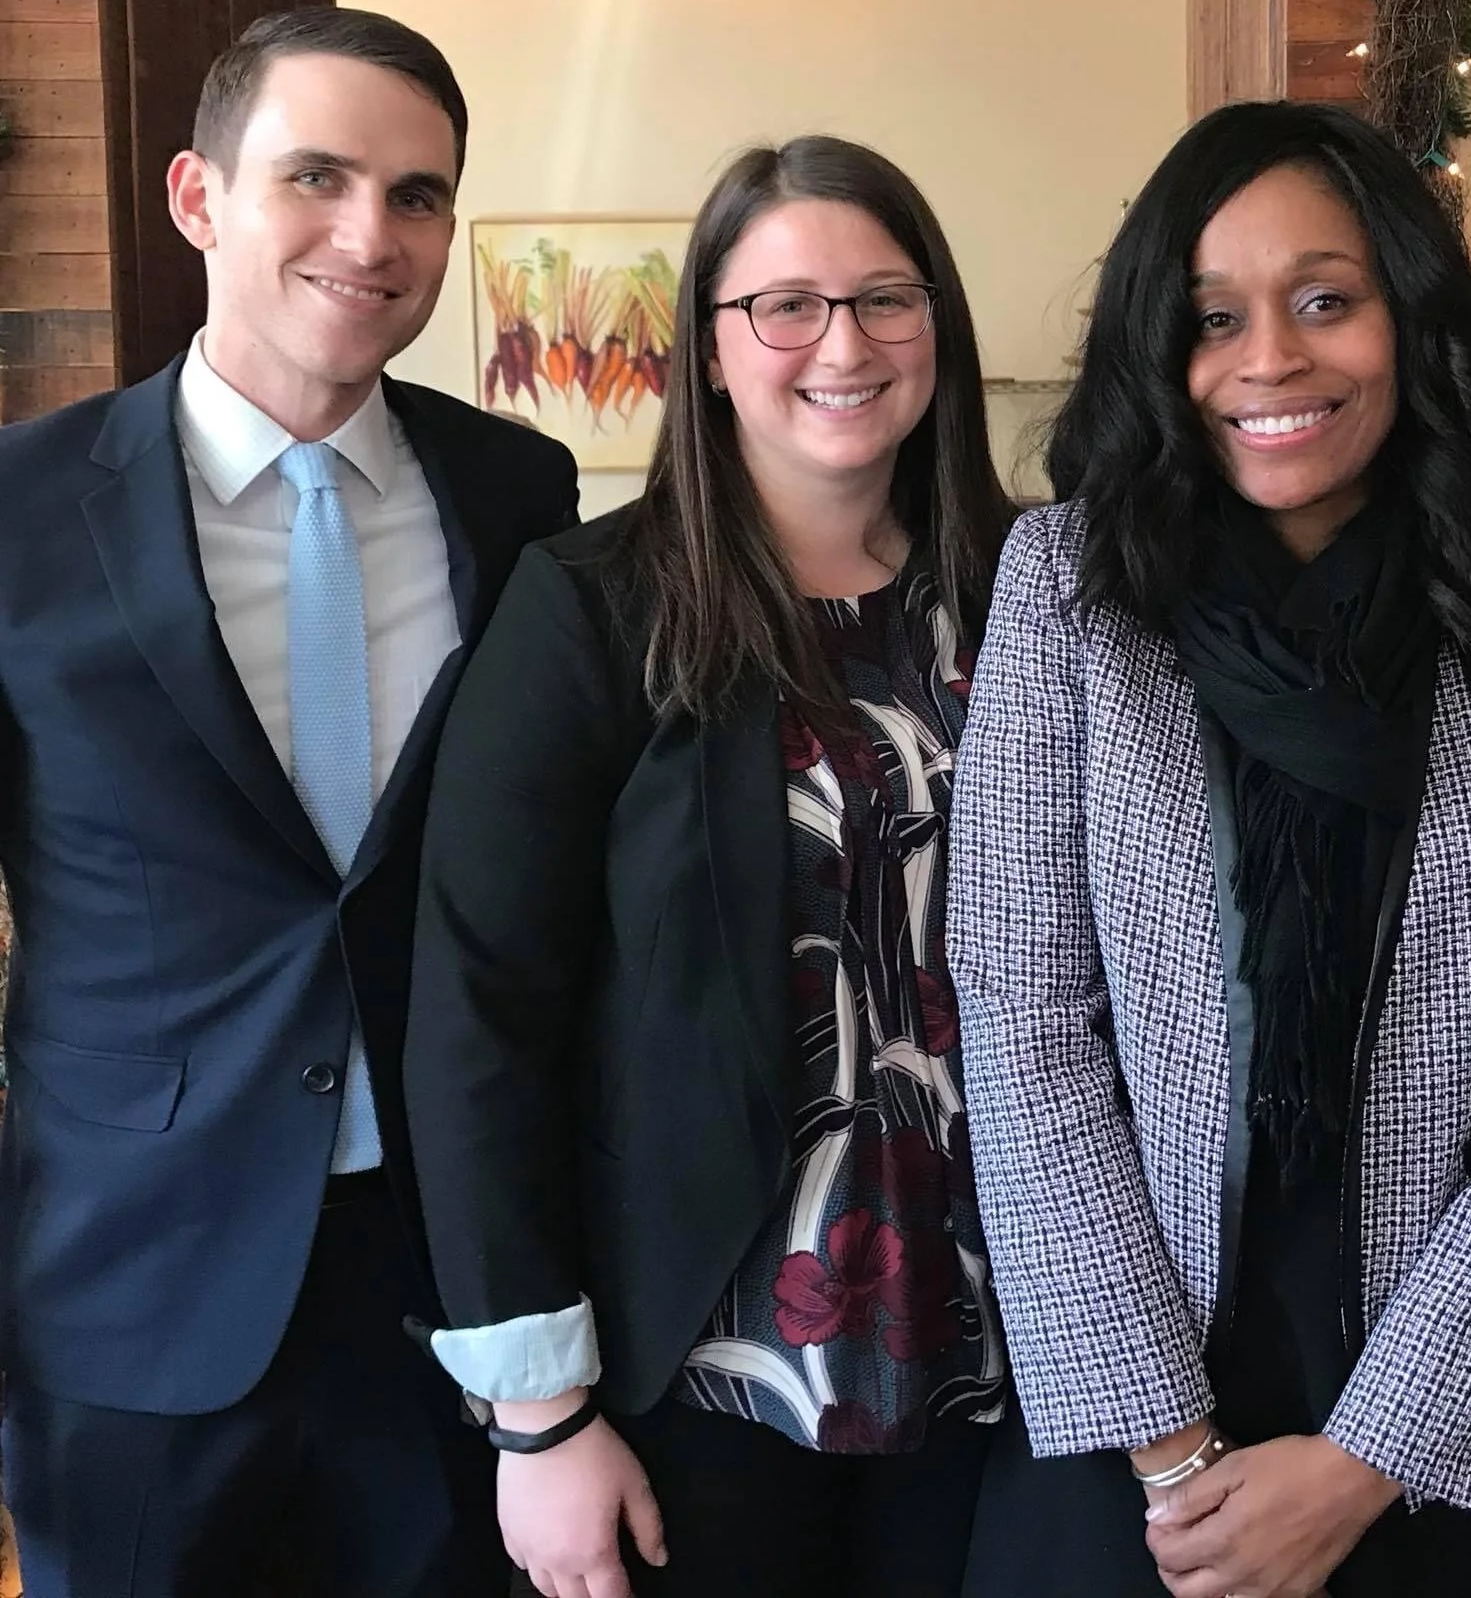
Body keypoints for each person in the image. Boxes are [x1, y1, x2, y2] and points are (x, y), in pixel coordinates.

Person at [948, 100, 1471, 1598]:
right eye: (1214, 318)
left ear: (1414, 320)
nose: (1269, 360)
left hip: (1454, 1403)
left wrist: (1374, 1450)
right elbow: (1019, 1014)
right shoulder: (1066, 588)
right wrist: (1176, 1456)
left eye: (1326, 300)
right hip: (1131, 1401)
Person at [0, 6, 579, 1595]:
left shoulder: (519, 497)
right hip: (129, 1292)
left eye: (417, 195)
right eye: (315, 176)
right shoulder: (23, 512)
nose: (369, 235)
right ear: (199, 197)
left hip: (448, 1288)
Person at [405, 136, 1016, 1598]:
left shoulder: (1029, 591)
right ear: (712, 347)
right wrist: (540, 1416)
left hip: (1009, 1346)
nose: (843, 345)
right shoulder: (597, 607)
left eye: (886, 298)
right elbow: (480, 1008)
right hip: (701, 1358)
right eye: (785, 305)